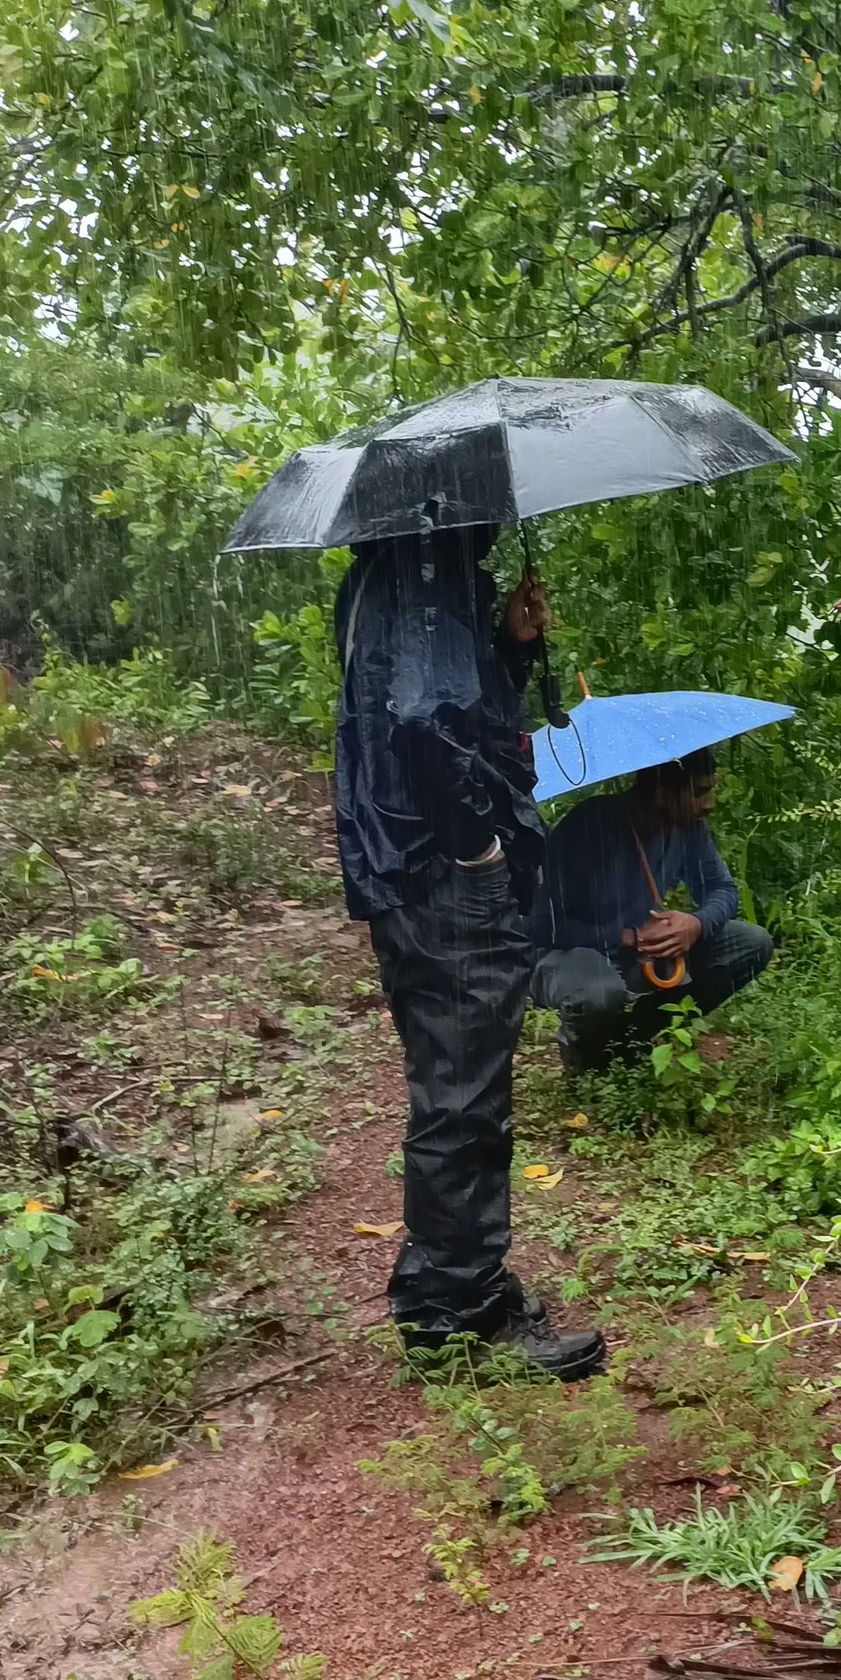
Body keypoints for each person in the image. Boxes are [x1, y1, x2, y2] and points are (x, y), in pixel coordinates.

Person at [332, 521, 606, 1380]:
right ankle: (455, 1317)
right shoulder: (422, 571)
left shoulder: (404, 572)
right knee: (463, 1097)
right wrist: (476, 844)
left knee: (459, 1087)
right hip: (440, 877)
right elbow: (422, 725)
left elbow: (449, 708)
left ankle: (453, 1292)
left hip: (412, 871)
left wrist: (507, 649)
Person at [531, 747, 775, 1074]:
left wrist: (695, 924)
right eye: (700, 792)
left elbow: (722, 890)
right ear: (662, 794)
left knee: (752, 943)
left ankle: (632, 1039)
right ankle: (587, 1061)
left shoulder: (687, 827)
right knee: (600, 995)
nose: (709, 804)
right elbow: (538, 926)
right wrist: (625, 937)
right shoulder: (589, 827)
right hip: (570, 956)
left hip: (638, 958)